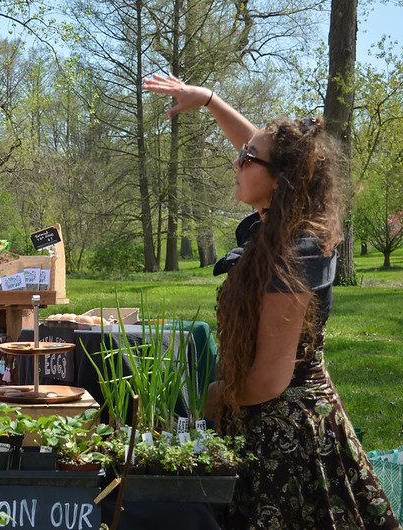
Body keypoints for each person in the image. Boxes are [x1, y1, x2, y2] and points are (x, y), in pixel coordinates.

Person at [144, 74, 400, 529]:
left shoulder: (298, 250)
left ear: (281, 182)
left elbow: (268, 379)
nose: (236, 160)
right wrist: (208, 99)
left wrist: (201, 399)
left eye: (246, 160)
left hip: (289, 440)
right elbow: (260, 148)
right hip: (255, 420)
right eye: (241, 155)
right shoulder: (278, 220)